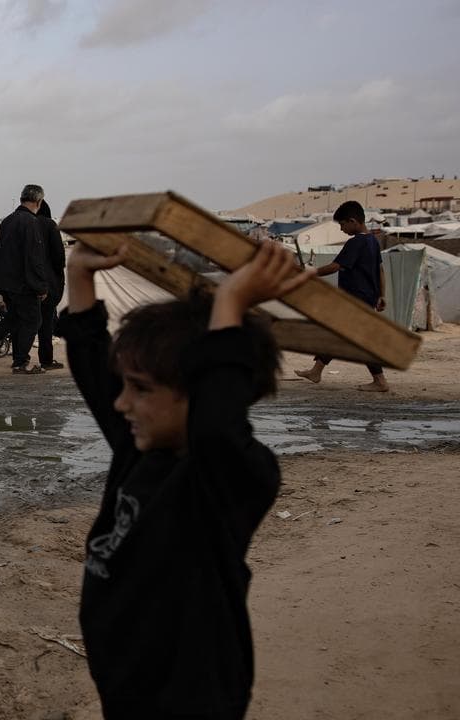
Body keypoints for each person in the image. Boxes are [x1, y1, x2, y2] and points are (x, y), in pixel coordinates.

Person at [59, 239, 314, 719]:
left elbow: (217, 426)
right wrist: (80, 277)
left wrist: (230, 304)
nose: (120, 402)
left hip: (192, 700)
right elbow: (96, 370)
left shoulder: (228, 478)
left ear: (203, 393)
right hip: (128, 689)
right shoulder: (145, 450)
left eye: (141, 388)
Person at [294, 200, 389, 391]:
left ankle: (380, 381)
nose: (342, 229)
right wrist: (381, 295)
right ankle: (316, 371)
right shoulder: (372, 241)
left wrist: (311, 272)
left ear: (353, 221)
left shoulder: (356, 242)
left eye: (342, 225)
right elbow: (380, 270)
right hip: (366, 297)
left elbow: (335, 266)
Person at [0, 185, 53, 374]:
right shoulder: (31, 223)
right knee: (33, 320)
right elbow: (34, 258)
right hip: (23, 283)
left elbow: (1, 253)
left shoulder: (8, 220)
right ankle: (21, 362)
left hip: (6, 282)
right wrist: (41, 286)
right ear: (39, 201)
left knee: (13, 319)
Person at [35, 200, 66, 370]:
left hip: (24, 284)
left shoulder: (22, 223)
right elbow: (59, 257)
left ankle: (20, 359)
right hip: (47, 283)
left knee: (22, 322)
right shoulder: (49, 226)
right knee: (46, 323)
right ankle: (46, 360)